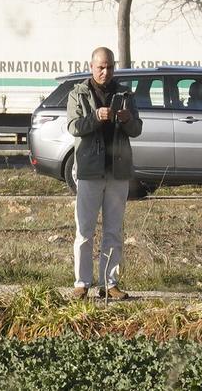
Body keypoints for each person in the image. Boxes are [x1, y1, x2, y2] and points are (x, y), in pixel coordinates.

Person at [66, 47, 143, 300]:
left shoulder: (124, 93)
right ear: (91, 67)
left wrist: (128, 119)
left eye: (109, 67)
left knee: (113, 231)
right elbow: (74, 127)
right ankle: (82, 283)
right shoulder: (78, 94)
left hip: (117, 170)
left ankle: (110, 284)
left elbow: (137, 129)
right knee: (85, 231)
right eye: (101, 67)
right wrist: (96, 117)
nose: (105, 72)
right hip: (89, 170)